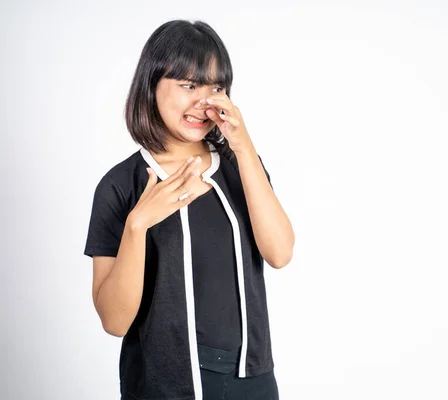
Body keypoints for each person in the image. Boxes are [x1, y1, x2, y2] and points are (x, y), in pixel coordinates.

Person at [83, 19, 294, 400]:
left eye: (216, 87)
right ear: (152, 84)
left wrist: (244, 148)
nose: (204, 101)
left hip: (254, 377)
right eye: (189, 85)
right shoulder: (120, 185)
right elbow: (114, 321)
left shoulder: (239, 164)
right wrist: (138, 225)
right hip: (164, 385)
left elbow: (279, 253)